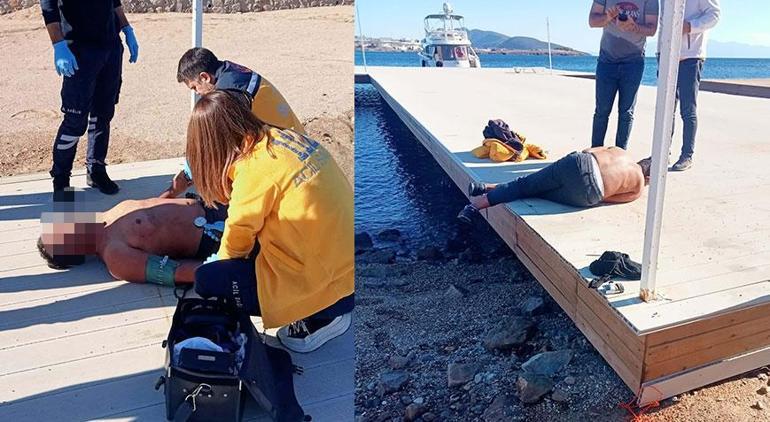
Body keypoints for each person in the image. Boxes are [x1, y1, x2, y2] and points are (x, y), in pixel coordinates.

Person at [187, 90, 354, 353]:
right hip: (346, 264)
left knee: (209, 279)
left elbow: (235, 245)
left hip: (330, 288)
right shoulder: (282, 138)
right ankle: (326, 306)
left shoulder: (254, 169)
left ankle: (321, 317)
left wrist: (218, 261)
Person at [160, 47, 306, 199]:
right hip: (296, 142)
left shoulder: (229, 93)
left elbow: (212, 144)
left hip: (288, 157)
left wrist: (185, 177)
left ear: (205, 77)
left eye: (194, 87)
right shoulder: (229, 71)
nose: (197, 93)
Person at [41, 0, 140, 197]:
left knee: (103, 114)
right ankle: (61, 178)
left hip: (110, 47)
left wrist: (127, 28)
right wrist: (58, 44)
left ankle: (96, 170)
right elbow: (48, 7)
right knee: (75, 121)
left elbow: (114, 2)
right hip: (78, 50)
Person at [37, 196, 229, 285]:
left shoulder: (109, 215)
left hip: (216, 202)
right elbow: (176, 272)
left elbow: (155, 205)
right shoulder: (116, 258)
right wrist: (225, 269)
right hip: (221, 234)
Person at [457, 147, 651, 223]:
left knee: (527, 184)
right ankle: (474, 206)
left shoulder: (621, 151)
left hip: (580, 163)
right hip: (591, 190)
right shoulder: (639, 187)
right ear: (649, 177)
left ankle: (484, 190)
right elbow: (606, 199)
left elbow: (588, 150)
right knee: (538, 192)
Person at [589, 0, 659, 150]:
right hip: (607, 60)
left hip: (633, 62)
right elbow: (592, 21)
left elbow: (652, 29)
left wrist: (634, 27)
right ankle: (595, 154)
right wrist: (608, 17)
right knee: (601, 111)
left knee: (626, 113)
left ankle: (620, 155)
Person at [664, 0, 721, 171]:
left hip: (691, 57)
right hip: (667, 55)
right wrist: (660, 50)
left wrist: (690, 26)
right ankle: (663, 154)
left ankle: (687, 155)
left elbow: (715, 14)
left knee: (687, 110)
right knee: (666, 110)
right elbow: (663, 21)